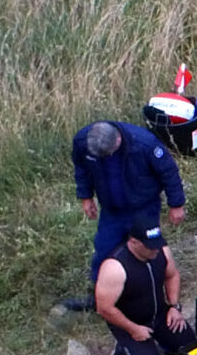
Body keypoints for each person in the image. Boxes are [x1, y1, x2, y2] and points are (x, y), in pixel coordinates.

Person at [71, 120, 186, 283]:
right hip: (112, 209)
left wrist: (176, 204)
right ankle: (102, 292)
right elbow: (81, 168)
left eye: (109, 153)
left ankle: (152, 289)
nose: (106, 157)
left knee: (148, 249)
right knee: (105, 250)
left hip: (144, 206)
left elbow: (169, 173)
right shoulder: (83, 141)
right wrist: (86, 196)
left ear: (118, 140)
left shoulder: (144, 144)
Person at [94, 225, 197, 355]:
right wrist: (133, 329)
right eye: (150, 247)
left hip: (159, 313)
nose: (155, 250)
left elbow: (172, 275)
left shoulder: (161, 250)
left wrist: (174, 307)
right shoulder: (114, 268)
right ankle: (123, 348)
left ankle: (160, 340)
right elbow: (104, 308)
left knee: (189, 346)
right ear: (134, 242)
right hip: (129, 322)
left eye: (157, 244)